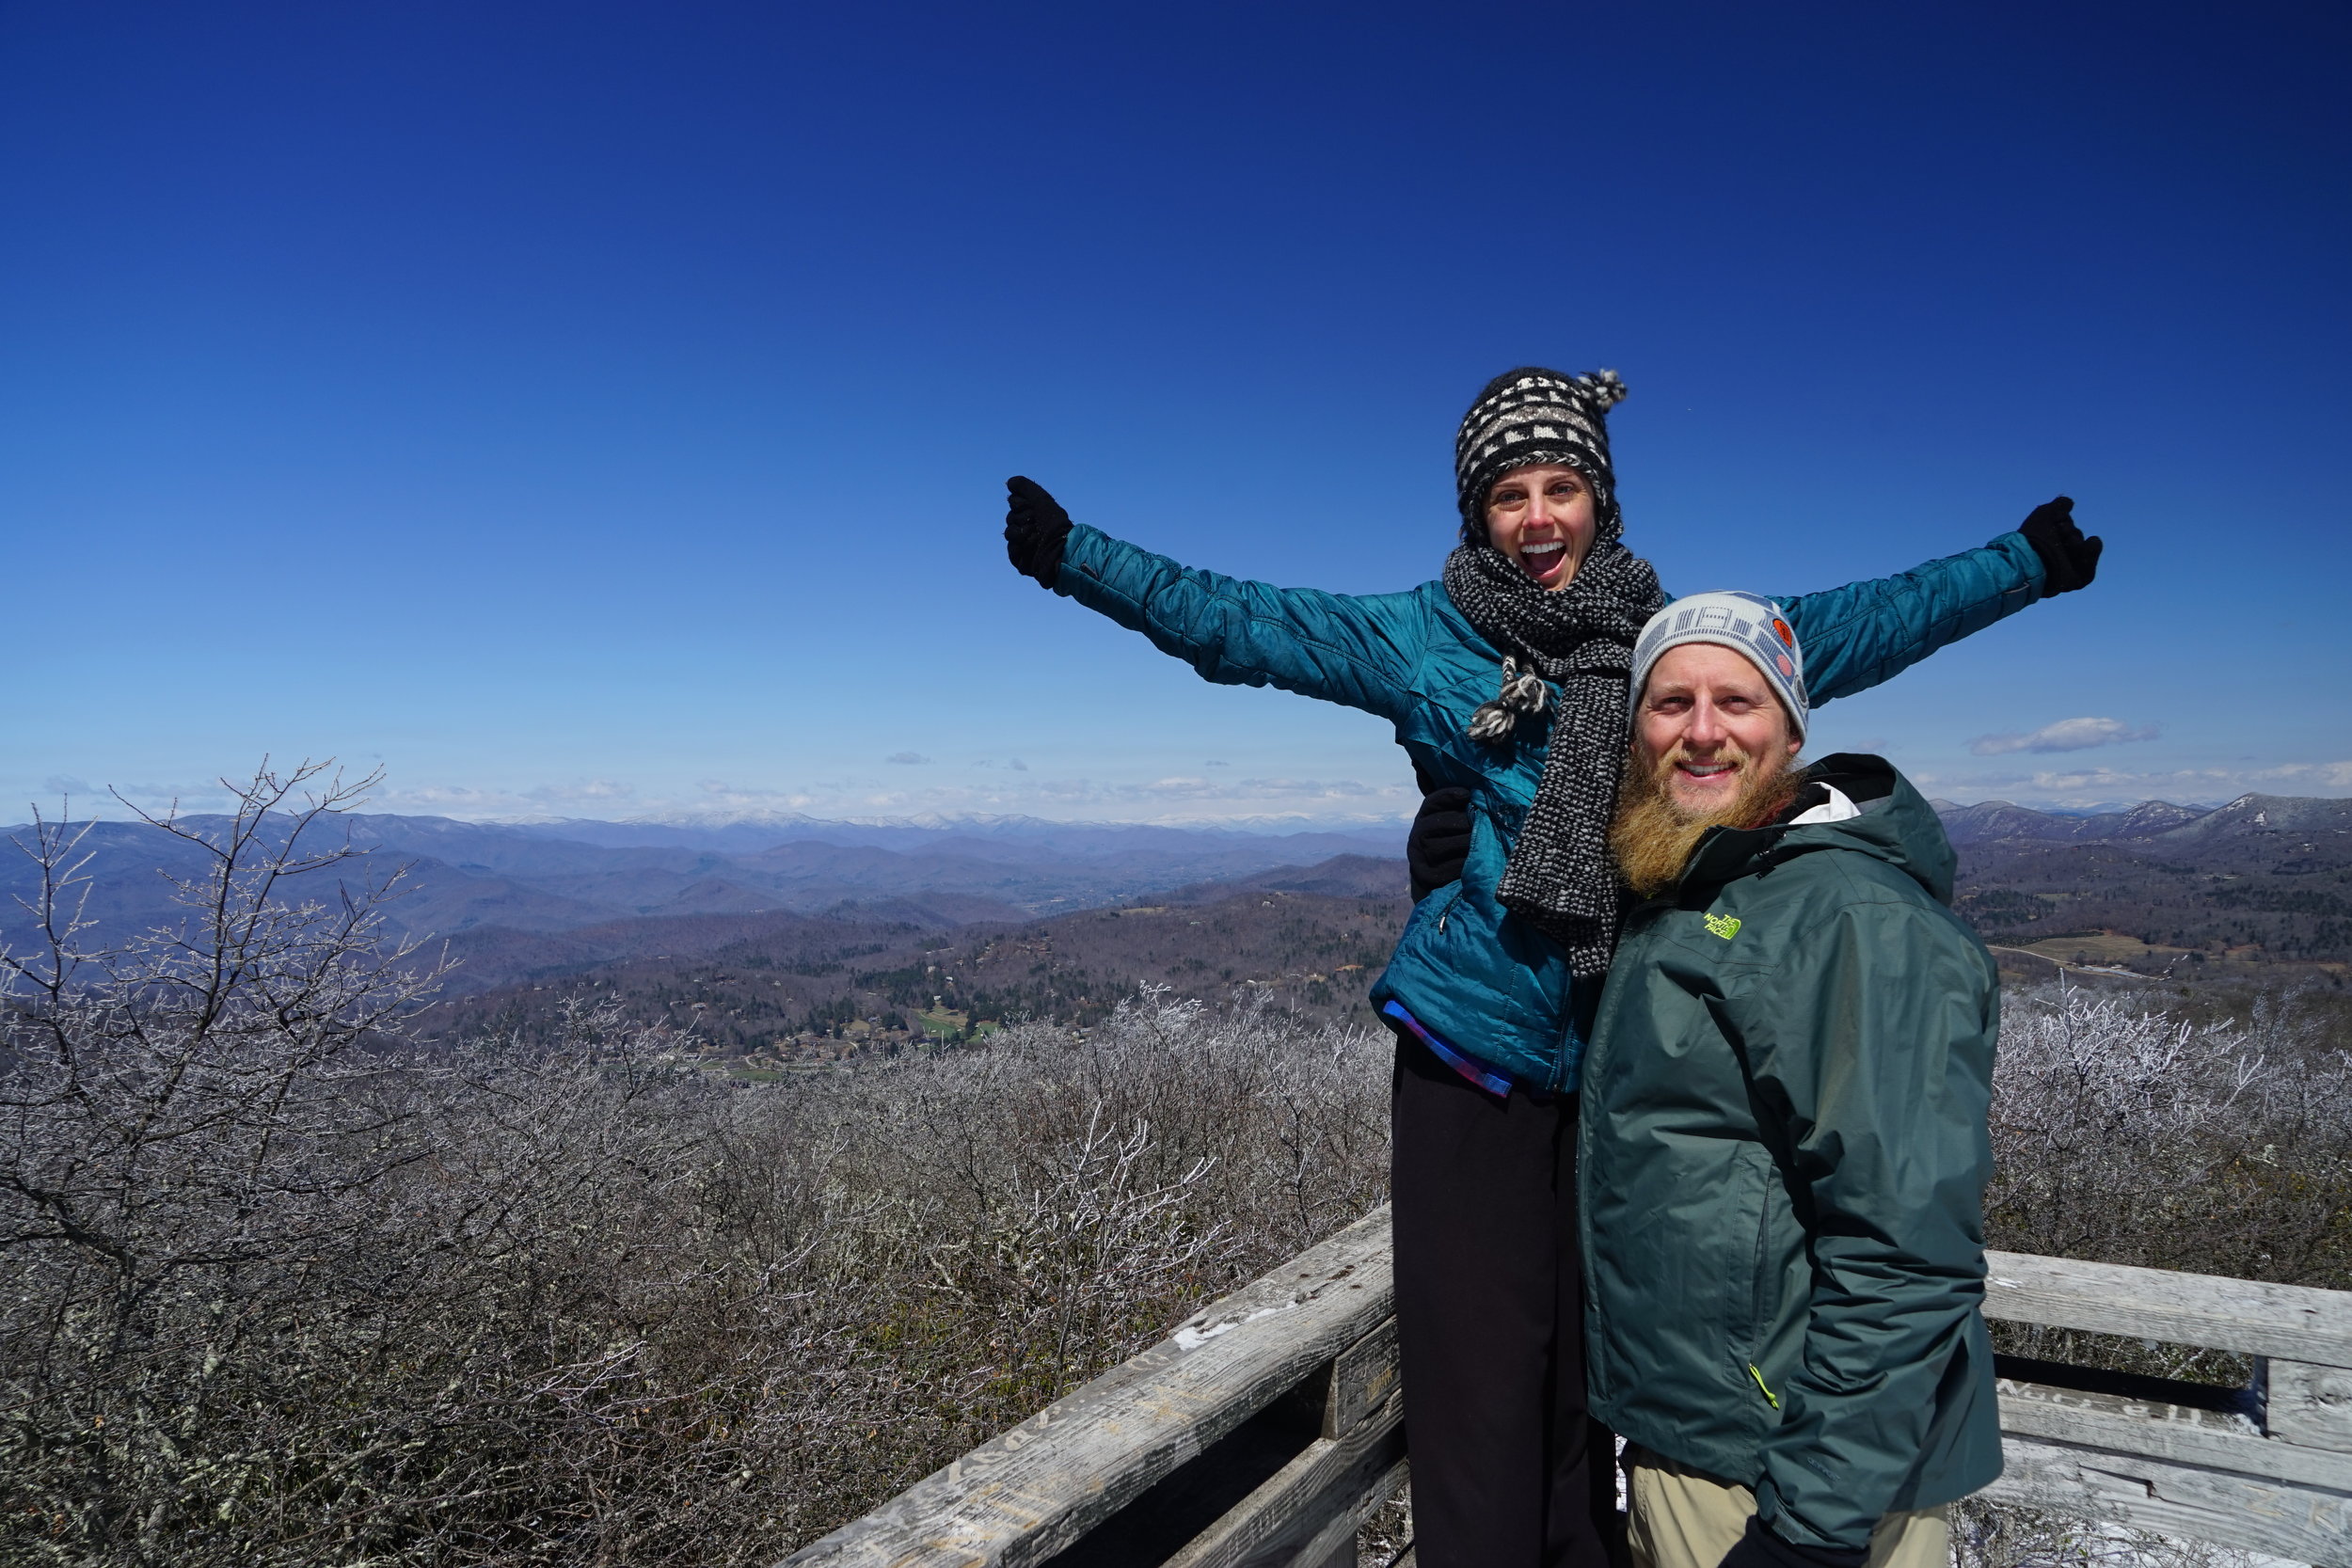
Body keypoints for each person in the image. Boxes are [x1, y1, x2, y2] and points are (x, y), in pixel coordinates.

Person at [999, 367, 2096, 1568]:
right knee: (1478, 1390)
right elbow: (1246, 622)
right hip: (1476, 1052)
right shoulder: (1424, 637)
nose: (1535, 518)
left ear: (1598, 501)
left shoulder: (1683, 643)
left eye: (1558, 487)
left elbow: (1876, 616)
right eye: (1507, 494)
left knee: (1591, 1380)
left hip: (1634, 1060)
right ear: (1477, 514)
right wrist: (1077, 557)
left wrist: (2023, 563)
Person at [1578, 595, 2002, 1568]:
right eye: (1670, 702)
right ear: (1636, 733)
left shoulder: (1852, 919)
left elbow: (1905, 1245)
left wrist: (1810, 1523)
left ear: (1792, 729)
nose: (1701, 730)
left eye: (1737, 701)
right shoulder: (1711, 884)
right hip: (1710, 1437)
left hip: (1789, 1472)